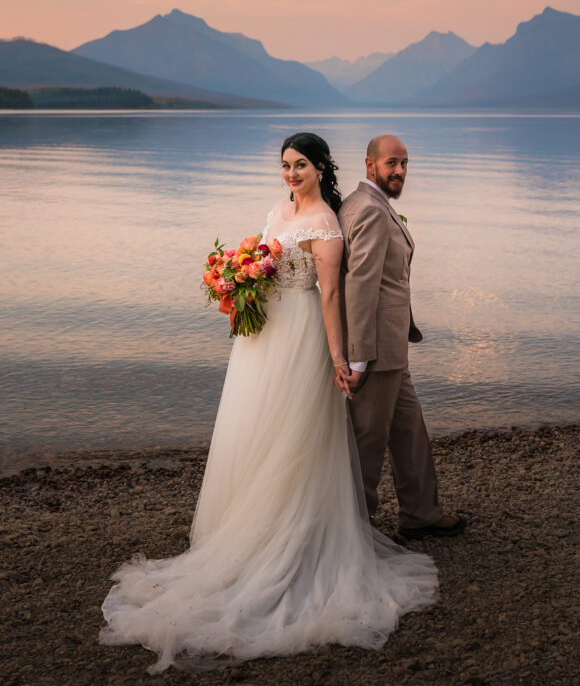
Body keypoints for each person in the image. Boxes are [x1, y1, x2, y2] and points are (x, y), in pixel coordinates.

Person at [100, 132, 437, 674]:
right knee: (255, 434)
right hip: (263, 346)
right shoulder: (276, 211)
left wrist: (338, 357)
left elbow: (331, 294)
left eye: (300, 165)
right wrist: (239, 286)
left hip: (302, 344)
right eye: (285, 165)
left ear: (320, 167)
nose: (291, 173)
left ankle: (322, 530)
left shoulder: (328, 222)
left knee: (299, 440)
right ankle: (257, 533)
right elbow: (272, 262)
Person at [338, 134, 467, 540]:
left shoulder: (363, 204)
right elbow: (360, 285)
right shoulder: (371, 211)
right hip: (375, 352)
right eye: (392, 162)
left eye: (405, 163)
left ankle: (421, 512)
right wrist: (358, 358)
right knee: (369, 443)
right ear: (369, 164)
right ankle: (358, 531)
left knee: (410, 431)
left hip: (392, 348)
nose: (400, 171)